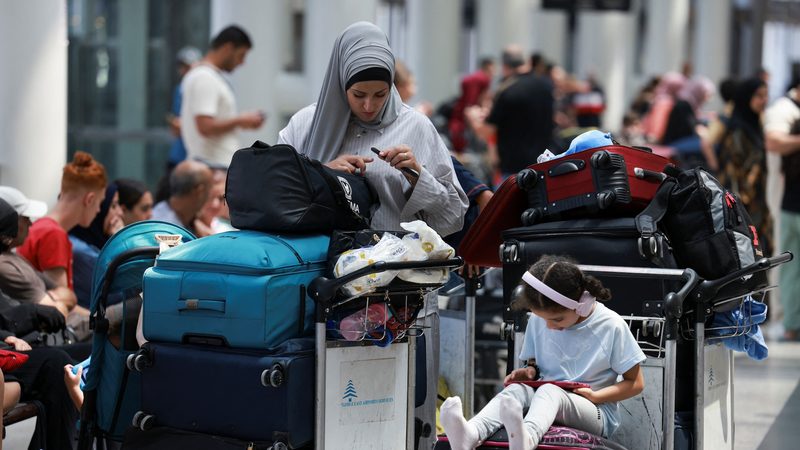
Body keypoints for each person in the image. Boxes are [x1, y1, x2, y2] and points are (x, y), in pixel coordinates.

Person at [277, 21, 467, 237]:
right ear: (341, 83)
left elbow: (453, 216)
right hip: (318, 264)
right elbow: (274, 194)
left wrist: (417, 176)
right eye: (358, 95)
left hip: (395, 266)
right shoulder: (304, 124)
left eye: (380, 95)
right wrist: (322, 173)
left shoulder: (416, 126)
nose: (369, 106)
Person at [440, 255, 645, 450]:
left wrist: (596, 396)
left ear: (582, 304)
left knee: (549, 391)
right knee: (515, 391)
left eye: (557, 319)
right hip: (546, 399)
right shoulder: (539, 319)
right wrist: (529, 372)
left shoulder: (611, 325)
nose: (549, 326)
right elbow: (535, 364)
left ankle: (527, 438)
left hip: (597, 410)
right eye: (542, 318)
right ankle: (472, 433)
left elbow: (635, 383)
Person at [17, 151, 108, 312]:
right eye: (100, 203)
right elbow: (62, 306)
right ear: (89, 199)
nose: (99, 210)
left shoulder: (41, 227)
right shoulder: (54, 235)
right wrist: (98, 320)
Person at [180, 25, 265, 168]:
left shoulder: (203, 75)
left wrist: (240, 121)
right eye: (241, 55)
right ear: (228, 48)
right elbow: (205, 126)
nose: (242, 62)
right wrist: (240, 120)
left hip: (212, 164)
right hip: (214, 167)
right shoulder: (205, 77)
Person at [717, 78, 774, 257]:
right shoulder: (737, 131)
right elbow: (731, 173)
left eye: (765, 96)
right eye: (758, 96)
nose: (763, 100)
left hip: (757, 204)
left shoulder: (755, 126)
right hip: (743, 208)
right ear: (746, 97)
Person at [764, 74, 800, 341]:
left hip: (788, 200)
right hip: (788, 202)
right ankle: (790, 322)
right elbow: (774, 141)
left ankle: (791, 322)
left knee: (790, 265)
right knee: (789, 265)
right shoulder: (784, 111)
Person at [0, 187, 71, 317]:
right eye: (26, 218)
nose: (31, 224)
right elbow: (57, 312)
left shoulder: (16, 257)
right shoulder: (4, 264)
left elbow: (69, 295)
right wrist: (56, 300)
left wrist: (54, 300)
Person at [69, 183, 124, 309]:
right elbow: (120, 294)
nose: (120, 212)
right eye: (113, 206)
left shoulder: (96, 241)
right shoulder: (80, 250)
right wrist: (120, 241)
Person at [151, 159, 213, 235]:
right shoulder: (167, 231)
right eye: (209, 189)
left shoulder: (185, 219)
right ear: (199, 191)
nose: (210, 195)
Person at [166, 46, 203, 171]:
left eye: (188, 67)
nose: (184, 71)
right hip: (179, 155)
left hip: (200, 157)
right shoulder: (180, 89)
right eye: (182, 67)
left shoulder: (205, 88)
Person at [194, 168, 234, 236]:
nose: (215, 205)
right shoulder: (178, 225)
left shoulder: (228, 232)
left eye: (221, 198)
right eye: (210, 197)